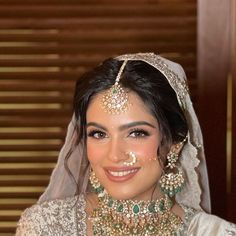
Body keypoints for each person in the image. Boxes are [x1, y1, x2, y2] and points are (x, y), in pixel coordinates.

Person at [16, 52, 236, 235]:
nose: (114, 155)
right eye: (99, 134)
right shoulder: (45, 227)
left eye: (137, 133)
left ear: (175, 141)